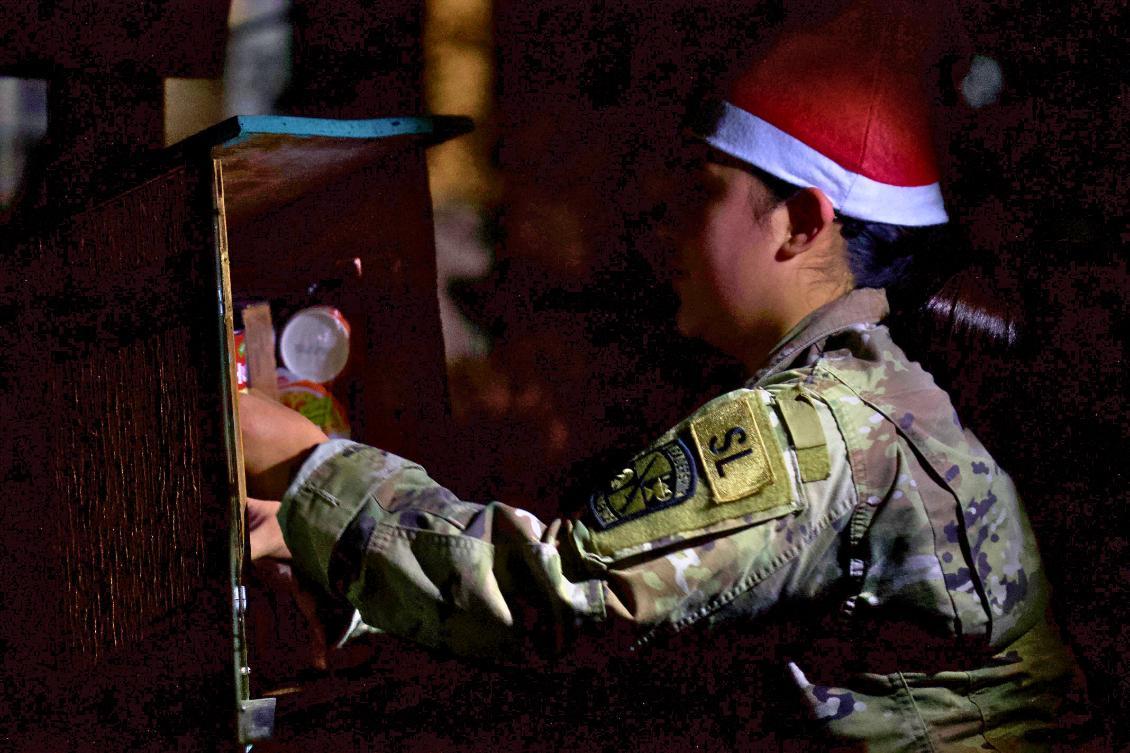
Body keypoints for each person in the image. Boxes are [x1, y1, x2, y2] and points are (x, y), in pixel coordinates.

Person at [241, 3, 1084, 749]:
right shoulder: (862, 397)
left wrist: (309, 469)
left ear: (801, 223)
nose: (663, 223)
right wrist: (337, 561)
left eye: (699, 193)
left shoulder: (811, 433)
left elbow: (561, 600)